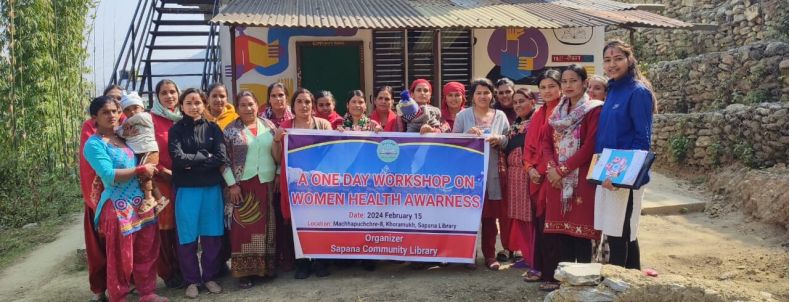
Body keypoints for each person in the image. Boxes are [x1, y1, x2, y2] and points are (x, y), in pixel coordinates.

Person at [83, 96, 167, 302]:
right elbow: (108, 175)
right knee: (121, 256)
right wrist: (140, 169)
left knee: (146, 249)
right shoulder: (94, 145)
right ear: (95, 117)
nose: (112, 115)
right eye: (105, 112)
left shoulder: (124, 136)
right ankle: (119, 296)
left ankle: (146, 292)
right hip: (117, 205)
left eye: (114, 111)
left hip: (141, 202)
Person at [538, 64, 603, 291]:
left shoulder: (594, 109)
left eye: (573, 80)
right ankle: (565, 283)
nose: (568, 85)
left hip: (581, 179)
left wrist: (562, 170)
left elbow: (589, 146)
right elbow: (545, 142)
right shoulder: (557, 113)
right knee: (561, 232)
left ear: (584, 83)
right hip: (555, 179)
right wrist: (551, 168)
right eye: (564, 81)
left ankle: (583, 285)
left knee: (580, 233)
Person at [594, 40, 655, 270]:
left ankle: (623, 284)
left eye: (618, 58)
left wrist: (622, 177)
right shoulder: (612, 90)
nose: (612, 64)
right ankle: (631, 281)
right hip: (607, 175)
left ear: (630, 60)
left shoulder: (638, 92)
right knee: (617, 231)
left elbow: (642, 140)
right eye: (608, 60)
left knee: (623, 233)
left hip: (625, 176)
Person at [168, 88, 228, 298]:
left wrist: (193, 163)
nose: (194, 107)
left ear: (204, 104)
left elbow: (220, 157)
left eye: (197, 102)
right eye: (189, 103)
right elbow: (178, 159)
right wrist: (204, 156)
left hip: (211, 189)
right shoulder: (176, 130)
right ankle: (192, 280)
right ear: (181, 106)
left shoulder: (213, 128)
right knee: (187, 237)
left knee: (212, 236)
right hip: (186, 190)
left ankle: (210, 276)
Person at [222, 91, 283, 289]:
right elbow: (222, 161)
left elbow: (280, 151)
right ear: (237, 108)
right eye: (243, 105)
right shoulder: (230, 130)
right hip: (242, 186)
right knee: (243, 230)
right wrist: (232, 184)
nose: (248, 109)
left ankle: (265, 269)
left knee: (268, 228)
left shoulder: (269, 126)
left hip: (265, 183)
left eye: (251, 104)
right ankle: (244, 273)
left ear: (258, 105)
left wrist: (278, 173)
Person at [452, 78, 510, 270]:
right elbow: (452, 143)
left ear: (492, 94)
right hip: (468, 174)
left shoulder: (500, 115)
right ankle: (467, 255)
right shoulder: (463, 116)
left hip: (492, 172)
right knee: (468, 216)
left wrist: (498, 139)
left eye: (486, 92)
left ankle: (490, 256)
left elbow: (509, 139)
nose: (483, 96)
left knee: (490, 218)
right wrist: (467, 135)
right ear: (472, 96)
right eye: (479, 93)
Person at [279, 88, 333, 278]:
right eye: (299, 102)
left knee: (321, 222)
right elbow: (277, 157)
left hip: (318, 183)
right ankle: (302, 264)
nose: (304, 105)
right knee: (298, 223)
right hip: (296, 185)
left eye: (308, 102)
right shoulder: (285, 127)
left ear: (313, 105)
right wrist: (277, 141)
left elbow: (332, 153)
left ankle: (321, 262)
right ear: (292, 106)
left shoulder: (324, 125)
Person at [80, 85, 122, 302]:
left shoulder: (125, 128)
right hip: (102, 196)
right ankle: (101, 289)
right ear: (96, 115)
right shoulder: (91, 132)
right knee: (99, 246)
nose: (113, 113)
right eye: (107, 107)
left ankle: (126, 283)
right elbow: (91, 168)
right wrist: (96, 199)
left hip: (126, 195)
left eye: (117, 105)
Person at [522, 69, 563, 284]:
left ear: (560, 87)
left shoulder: (566, 112)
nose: (547, 91)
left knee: (553, 227)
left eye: (551, 86)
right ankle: (539, 267)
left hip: (556, 176)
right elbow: (529, 146)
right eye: (543, 87)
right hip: (536, 177)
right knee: (540, 225)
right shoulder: (538, 114)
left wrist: (549, 170)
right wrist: (529, 168)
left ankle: (553, 275)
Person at [150, 79, 183, 288]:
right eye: (164, 93)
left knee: (182, 228)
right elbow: (144, 152)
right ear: (158, 96)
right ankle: (168, 273)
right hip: (161, 182)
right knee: (164, 230)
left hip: (185, 182)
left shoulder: (183, 118)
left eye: (172, 92)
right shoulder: (150, 120)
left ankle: (183, 268)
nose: (169, 96)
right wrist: (162, 170)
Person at [501, 88, 537, 268]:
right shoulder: (515, 125)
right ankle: (526, 255)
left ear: (532, 101)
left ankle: (534, 258)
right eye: (515, 102)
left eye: (522, 101)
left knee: (530, 218)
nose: (518, 105)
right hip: (514, 175)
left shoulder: (537, 122)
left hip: (528, 174)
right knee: (519, 218)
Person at [117, 91, 166, 212]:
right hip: (138, 152)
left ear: (142, 107)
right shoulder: (125, 122)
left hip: (148, 150)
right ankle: (160, 199)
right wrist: (124, 132)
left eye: (135, 108)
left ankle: (149, 198)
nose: (132, 112)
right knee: (146, 176)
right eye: (127, 110)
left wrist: (123, 129)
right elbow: (118, 132)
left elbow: (123, 127)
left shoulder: (145, 116)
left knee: (143, 173)